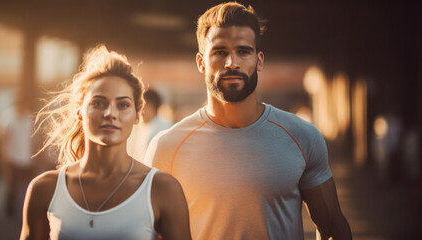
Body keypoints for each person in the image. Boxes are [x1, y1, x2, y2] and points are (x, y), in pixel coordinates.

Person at [144, 2, 352, 240]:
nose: (231, 62)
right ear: (201, 63)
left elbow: (333, 228)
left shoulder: (302, 136)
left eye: (243, 51)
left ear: (259, 60)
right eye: (220, 52)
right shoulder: (167, 147)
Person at [20, 45, 191, 240]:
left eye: (123, 105)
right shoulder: (45, 188)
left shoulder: (163, 189)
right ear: (79, 111)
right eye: (99, 103)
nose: (110, 113)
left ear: (137, 115)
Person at [0, 95, 34, 221]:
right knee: (12, 186)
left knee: (28, 186)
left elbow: (32, 138)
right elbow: (2, 139)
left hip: (26, 158)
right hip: (12, 157)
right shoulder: (8, 118)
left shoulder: (29, 118)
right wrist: (4, 159)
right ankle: (9, 212)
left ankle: (26, 210)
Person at [128, 88, 172, 160]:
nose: (141, 111)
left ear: (154, 107)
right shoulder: (137, 127)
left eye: (145, 107)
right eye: (139, 107)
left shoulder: (164, 129)